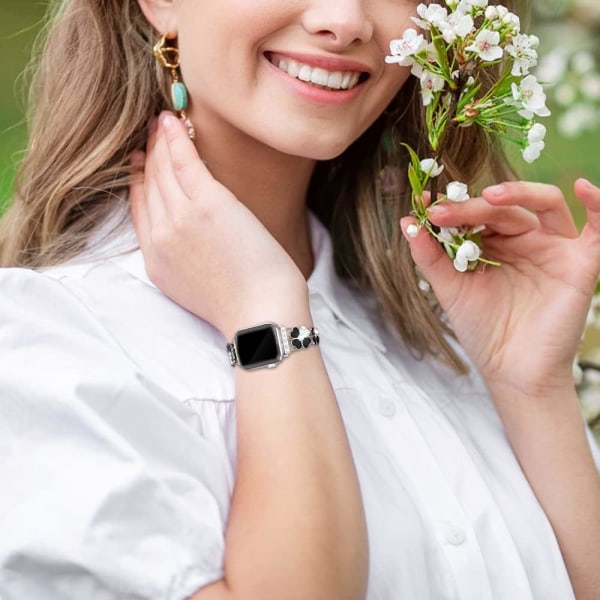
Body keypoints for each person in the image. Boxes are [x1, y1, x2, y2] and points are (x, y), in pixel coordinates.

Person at [0, 0, 599, 598]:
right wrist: (264, 321)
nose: (344, 20)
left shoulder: (436, 326)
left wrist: (531, 389)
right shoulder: (49, 350)